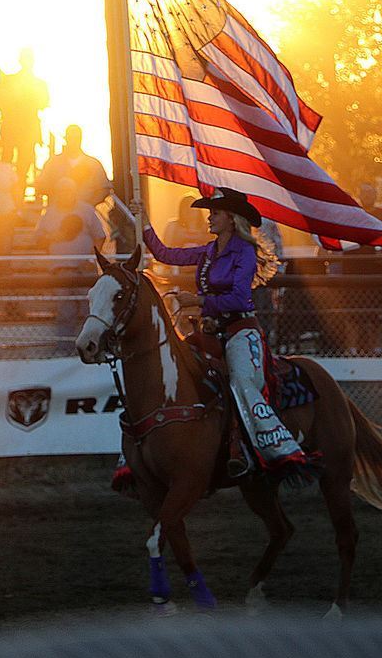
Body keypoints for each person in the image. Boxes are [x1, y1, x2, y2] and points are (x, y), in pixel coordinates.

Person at [136, 186, 321, 482]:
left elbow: (239, 299)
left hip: (241, 333)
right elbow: (165, 254)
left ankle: (275, 449)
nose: (209, 218)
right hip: (211, 331)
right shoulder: (209, 251)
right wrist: (142, 222)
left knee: (241, 382)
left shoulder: (244, 252)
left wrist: (197, 301)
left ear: (232, 219)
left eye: (216, 213)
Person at [34, 176, 105, 355]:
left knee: (87, 310)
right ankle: (64, 349)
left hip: (84, 269)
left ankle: (89, 348)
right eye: (62, 191)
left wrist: (91, 258)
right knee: (65, 311)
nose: (65, 194)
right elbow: (38, 240)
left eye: (69, 191)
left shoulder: (86, 210)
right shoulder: (49, 213)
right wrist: (55, 237)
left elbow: (100, 236)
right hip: (60, 270)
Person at [338, 181, 382, 355]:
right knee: (352, 314)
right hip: (352, 271)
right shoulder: (349, 215)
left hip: (376, 272)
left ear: (376, 194)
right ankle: (352, 349)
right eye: (364, 193)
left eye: (370, 192)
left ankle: (376, 349)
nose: (367, 196)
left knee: (376, 313)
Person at [0, 47, 48, 186]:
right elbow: (45, 103)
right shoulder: (37, 83)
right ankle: (12, 194)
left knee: (14, 163)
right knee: (17, 164)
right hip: (20, 129)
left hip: (18, 128)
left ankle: (11, 193)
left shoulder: (10, 81)